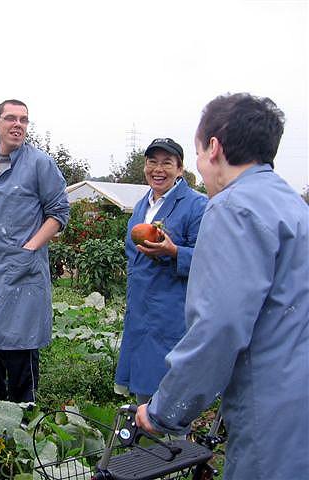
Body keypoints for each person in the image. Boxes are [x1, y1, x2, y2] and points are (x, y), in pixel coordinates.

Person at [135, 93, 309, 479]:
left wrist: (165, 408)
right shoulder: (294, 206)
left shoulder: (233, 208)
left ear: (213, 147)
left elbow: (219, 326)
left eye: (196, 153)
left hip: (270, 406)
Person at [0, 99, 70, 406]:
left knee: (19, 342)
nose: (18, 124)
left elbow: (58, 213)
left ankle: (23, 407)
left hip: (20, 268)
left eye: (24, 120)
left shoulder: (40, 164)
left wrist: (30, 248)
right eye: (11, 118)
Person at [114, 138, 207, 404]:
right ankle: (147, 445)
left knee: (173, 391)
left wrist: (175, 252)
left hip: (172, 312)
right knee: (144, 389)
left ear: (180, 169)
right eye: (152, 161)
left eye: (167, 162)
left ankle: (178, 445)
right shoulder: (144, 205)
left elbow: (208, 259)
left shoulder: (196, 205)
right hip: (141, 309)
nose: (158, 168)